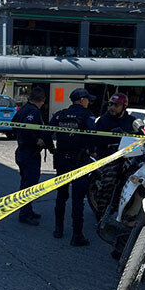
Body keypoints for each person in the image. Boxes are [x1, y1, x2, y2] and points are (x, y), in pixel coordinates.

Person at [48, 88, 97, 246]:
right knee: (78, 199)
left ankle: (58, 229)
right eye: (87, 99)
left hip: (62, 159)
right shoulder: (86, 114)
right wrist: (93, 150)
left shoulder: (61, 114)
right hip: (79, 162)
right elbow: (93, 133)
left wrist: (52, 149)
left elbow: (46, 131)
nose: (88, 102)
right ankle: (77, 235)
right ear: (82, 99)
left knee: (61, 196)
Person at [12, 87, 53, 226]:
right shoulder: (33, 111)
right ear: (42, 100)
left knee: (26, 183)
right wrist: (36, 140)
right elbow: (27, 129)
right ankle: (24, 213)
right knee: (29, 185)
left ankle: (27, 209)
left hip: (23, 151)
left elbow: (13, 125)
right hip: (29, 152)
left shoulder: (24, 109)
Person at [93, 92, 137, 221]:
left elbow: (140, 136)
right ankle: (100, 213)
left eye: (116, 105)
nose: (112, 107)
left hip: (129, 157)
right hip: (109, 157)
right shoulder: (103, 120)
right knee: (108, 183)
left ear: (124, 106)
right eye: (110, 104)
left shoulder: (132, 121)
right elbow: (95, 138)